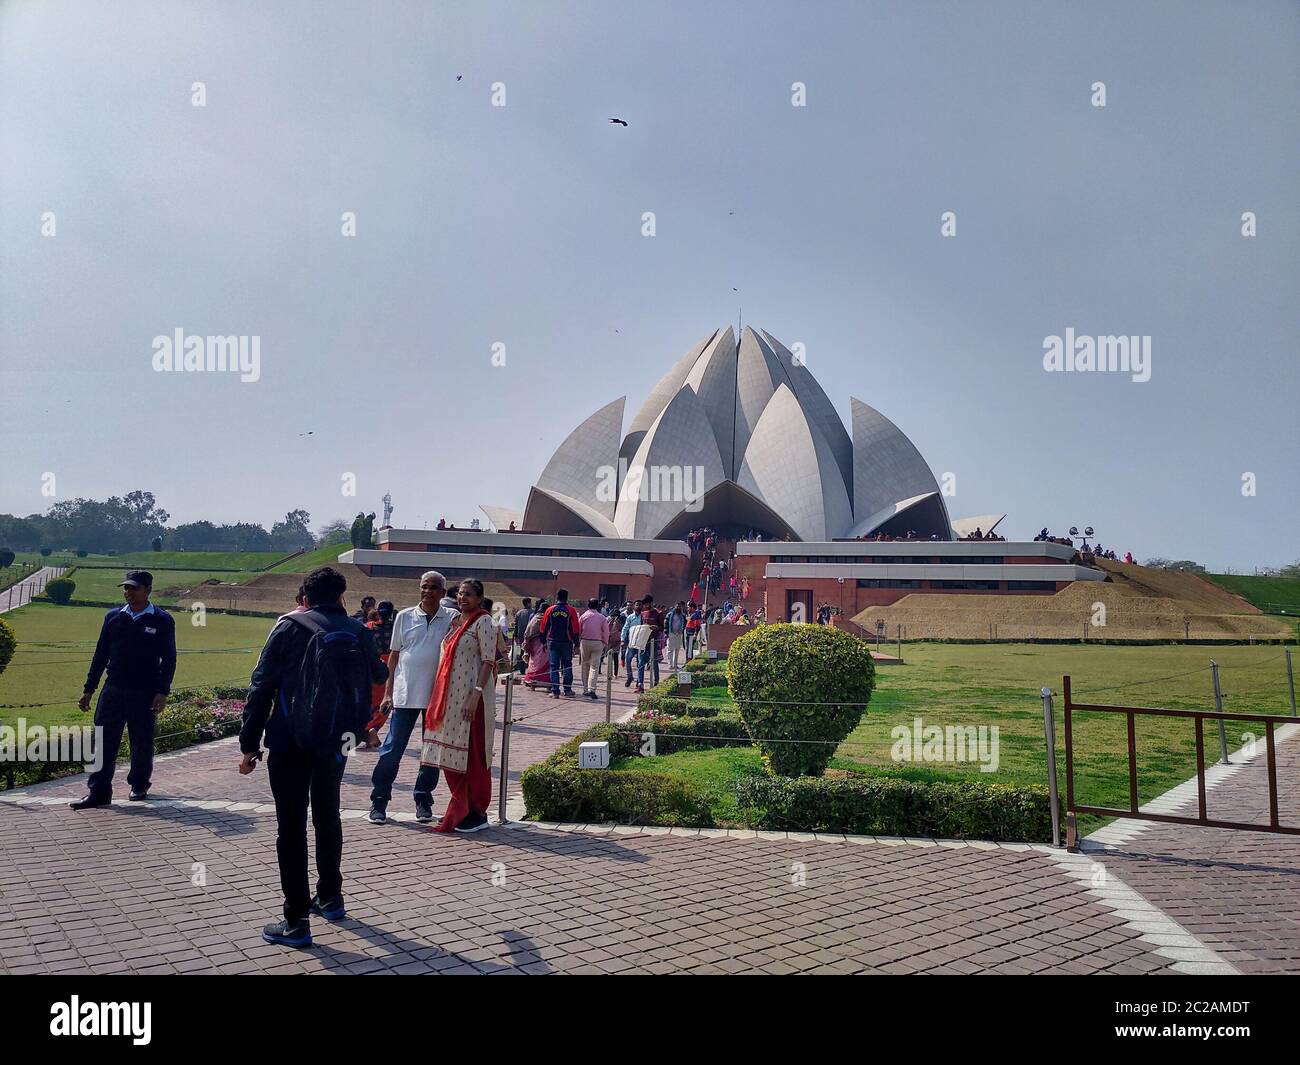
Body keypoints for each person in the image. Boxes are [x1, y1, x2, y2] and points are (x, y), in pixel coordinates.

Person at [238, 566, 387, 947]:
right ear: (341, 596)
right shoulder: (358, 631)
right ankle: (331, 897)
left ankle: (296, 920)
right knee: (327, 814)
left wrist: (249, 743)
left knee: (290, 826)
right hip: (340, 738)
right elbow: (379, 675)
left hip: (290, 738)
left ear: (305, 597)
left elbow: (261, 688)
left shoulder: (289, 627)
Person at [71, 570, 177, 809]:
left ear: (147, 590)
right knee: (102, 740)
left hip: (145, 691)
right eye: (126, 588)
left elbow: (169, 659)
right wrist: (89, 689)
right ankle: (98, 791)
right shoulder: (113, 618)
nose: (128, 592)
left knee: (141, 741)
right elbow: (100, 655)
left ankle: (139, 785)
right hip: (113, 689)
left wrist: (162, 691)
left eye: (134, 588)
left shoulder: (162, 620)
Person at [368, 572, 458, 825]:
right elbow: (394, 655)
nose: (427, 591)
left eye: (433, 588)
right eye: (424, 587)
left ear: (442, 592)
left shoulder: (451, 618)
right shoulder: (405, 616)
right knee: (392, 750)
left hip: (437, 696)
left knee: (430, 753)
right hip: (406, 694)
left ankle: (423, 799)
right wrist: (388, 692)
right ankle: (379, 800)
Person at [421, 579, 499, 834]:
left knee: (473, 756)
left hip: (471, 700)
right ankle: (460, 805)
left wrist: (475, 694)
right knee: (451, 755)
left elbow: (488, 661)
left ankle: (476, 811)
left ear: (479, 597)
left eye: (468, 595)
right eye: (460, 594)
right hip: (449, 701)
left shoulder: (484, 621)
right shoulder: (456, 623)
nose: (463, 598)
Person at [539, 590, 580, 698]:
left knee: (554, 667)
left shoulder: (550, 610)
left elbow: (543, 627)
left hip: (553, 642)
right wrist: (577, 643)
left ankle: (555, 691)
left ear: (557, 597)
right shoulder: (571, 610)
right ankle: (567, 690)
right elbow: (575, 628)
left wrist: (543, 641)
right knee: (567, 665)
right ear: (567, 598)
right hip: (567, 642)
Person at [577, 598, 607, 699]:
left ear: (588, 605)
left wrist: (578, 642)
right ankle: (592, 689)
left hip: (585, 641)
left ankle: (585, 690)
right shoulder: (602, 617)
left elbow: (578, 630)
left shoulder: (583, 616)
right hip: (598, 642)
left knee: (585, 666)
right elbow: (606, 632)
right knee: (594, 667)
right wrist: (604, 643)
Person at [520, 600, 551, 688]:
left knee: (534, 663)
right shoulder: (548, 619)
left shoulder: (534, 619)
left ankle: (533, 682)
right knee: (546, 663)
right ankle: (547, 684)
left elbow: (527, 632)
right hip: (546, 645)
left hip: (534, 645)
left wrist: (527, 644)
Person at [636, 595, 663, 692]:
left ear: (651, 603)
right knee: (641, 662)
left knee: (654, 662)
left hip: (653, 641)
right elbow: (640, 626)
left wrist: (655, 627)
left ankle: (656, 681)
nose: (645, 606)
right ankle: (640, 684)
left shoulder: (658, 613)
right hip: (644, 641)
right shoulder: (643, 613)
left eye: (646, 604)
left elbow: (662, 627)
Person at [665, 601, 687, 669]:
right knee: (670, 649)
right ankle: (670, 664)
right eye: (677, 606)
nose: (678, 608)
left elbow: (685, 624)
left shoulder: (683, 615)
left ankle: (675, 664)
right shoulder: (670, 614)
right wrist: (666, 633)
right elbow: (666, 623)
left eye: (680, 606)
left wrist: (681, 630)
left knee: (677, 649)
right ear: (674, 607)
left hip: (679, 634)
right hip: (671, 633)